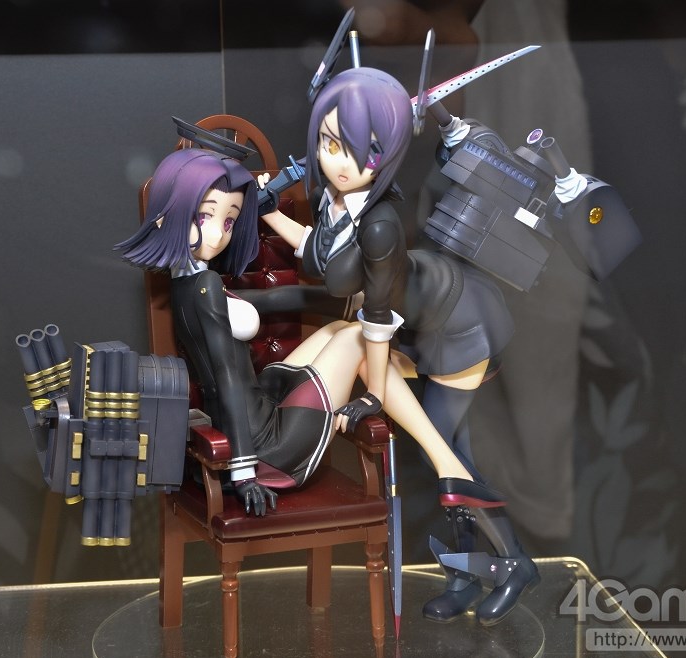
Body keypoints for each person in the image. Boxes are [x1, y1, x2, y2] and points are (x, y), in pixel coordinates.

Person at [257, 67, 538, 625]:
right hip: (418, 327)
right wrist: (267, 211)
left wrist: (374, 397)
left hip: (457, 324)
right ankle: (469, 573)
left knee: (446, 451)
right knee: (450, 449)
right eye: (329, 143)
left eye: (360, 151)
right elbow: (321, 254)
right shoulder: (335, 200)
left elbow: (377, 320)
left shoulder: (380, 222)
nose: (339, 162)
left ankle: (513, 561)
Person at [114, 147, 503, 520]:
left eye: (229, 221)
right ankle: (450, 468)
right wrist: (245, 473)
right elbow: (228, 377)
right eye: (204, 217)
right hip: (268, 449)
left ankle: (399, 369)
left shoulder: (189, 284)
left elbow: (276, 300)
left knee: (340, 329)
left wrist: (354, 296)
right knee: (357, 338)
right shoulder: (206, 287)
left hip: (258, 411)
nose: (217, 235)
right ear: (166, 216)